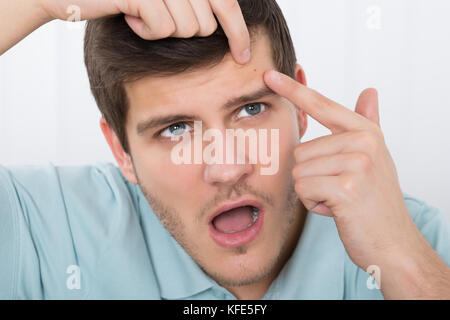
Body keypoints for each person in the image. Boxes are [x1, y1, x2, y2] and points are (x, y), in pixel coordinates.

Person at [0, 0, 449, 300]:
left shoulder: (421, 245)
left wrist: (400, 259)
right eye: (176, 129)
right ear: (121, 151)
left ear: (298, 107)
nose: (228, 166)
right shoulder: (42, 229)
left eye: (251, 109)